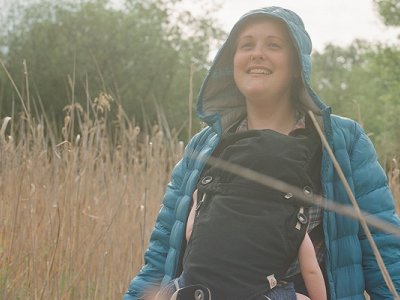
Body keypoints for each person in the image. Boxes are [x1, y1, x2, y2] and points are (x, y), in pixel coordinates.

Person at [123, 6, 400, 300]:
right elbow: (161, 259)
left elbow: (387, 259)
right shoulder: (203, 148)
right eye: (246, 45)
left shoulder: (342, 141)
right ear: (231, 62)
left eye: (273, 45)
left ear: (297, 66)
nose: (257, 53)